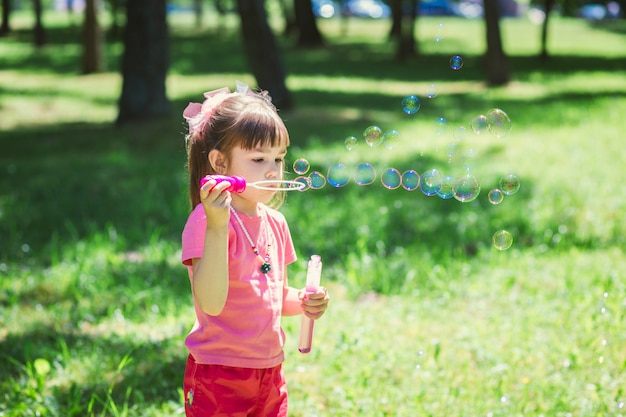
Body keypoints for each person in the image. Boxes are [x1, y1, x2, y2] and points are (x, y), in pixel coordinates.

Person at [180, 81, 330, 417]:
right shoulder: (207, 221)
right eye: (258, 158)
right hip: (220, 373)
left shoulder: (275, 223)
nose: (272, 170)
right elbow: (212, 302)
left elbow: (274, 296)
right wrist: (219, 228)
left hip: (269, 370)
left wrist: (305, 302)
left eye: (278, 159)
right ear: (220, 164)